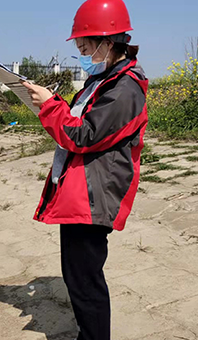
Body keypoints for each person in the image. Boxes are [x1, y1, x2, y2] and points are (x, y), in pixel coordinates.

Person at [22, 0, 148, 339]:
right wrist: (52, 104)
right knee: (77, 276)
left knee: (85, 280)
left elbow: (82, 135)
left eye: (85, 47)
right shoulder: (105, 81)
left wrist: (50, 106)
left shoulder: (125, 89)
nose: (81, 54)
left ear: (109, 43)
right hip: (81, 194)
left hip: (94, 198)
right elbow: (81, 122)